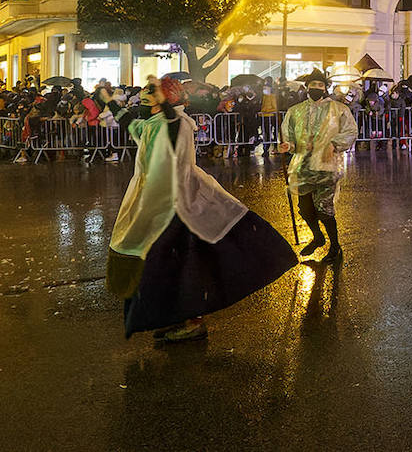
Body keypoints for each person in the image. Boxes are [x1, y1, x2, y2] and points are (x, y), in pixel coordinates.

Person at [107, 76, 296, 342]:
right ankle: (179, 318)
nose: (144, 100)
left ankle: (192, 322)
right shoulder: (156, 123)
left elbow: (177, 169)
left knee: (185, 266)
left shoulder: (177, 125)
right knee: (169, 266)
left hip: (179, 207)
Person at [279, 70, 359, 263]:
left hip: (327, 166)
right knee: (305, 209)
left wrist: (334, 144)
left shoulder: (339, 109)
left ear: (325, 88)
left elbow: (350, 131)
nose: (316, 88)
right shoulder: (295, 111)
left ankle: (335, 246)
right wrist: (288, 145)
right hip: (302, 166)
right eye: (313, 85)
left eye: (320, 85)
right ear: (307, 87)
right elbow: (287, 134)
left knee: (324, 209)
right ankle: (318, 237)